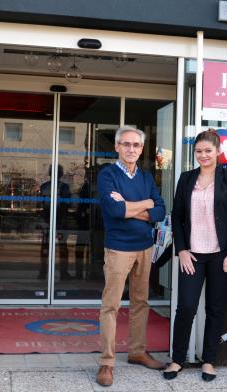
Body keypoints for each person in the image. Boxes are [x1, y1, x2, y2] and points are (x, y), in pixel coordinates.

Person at [163, 129, 227, 382]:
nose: (203, 155)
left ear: (218, 152)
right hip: (192, 255)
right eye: (198, 151)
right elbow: (176, 216)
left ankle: (209, 360)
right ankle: (177, 359)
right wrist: (182, 250)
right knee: (186, 307)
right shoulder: (186, 179)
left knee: (215, 309)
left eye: (208, 150)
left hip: (220, 255)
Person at [95, 126, 167, 387]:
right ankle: (107, 362)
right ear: (116, 147)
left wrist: (132, 206)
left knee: (140, 302)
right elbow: (114, 210)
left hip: (145, 247)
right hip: (118, 248)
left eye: (136, 145)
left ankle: (137, 351)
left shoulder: (147, 177)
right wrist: (143, 205)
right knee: (111, 305)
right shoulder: (107, 175)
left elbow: (160, 210)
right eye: (126, 144)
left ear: (141, 148)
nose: (131, 149)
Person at [39, 164, 73, 280]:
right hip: (61, 220)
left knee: (45, 247)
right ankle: (63, 273)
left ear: (49, 173)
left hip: (47, 220)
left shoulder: (43, 186)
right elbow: (67, 204)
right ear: (61, 174)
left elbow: (40, 205)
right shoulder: (65, 187)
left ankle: (43, 273)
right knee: (63, 247)